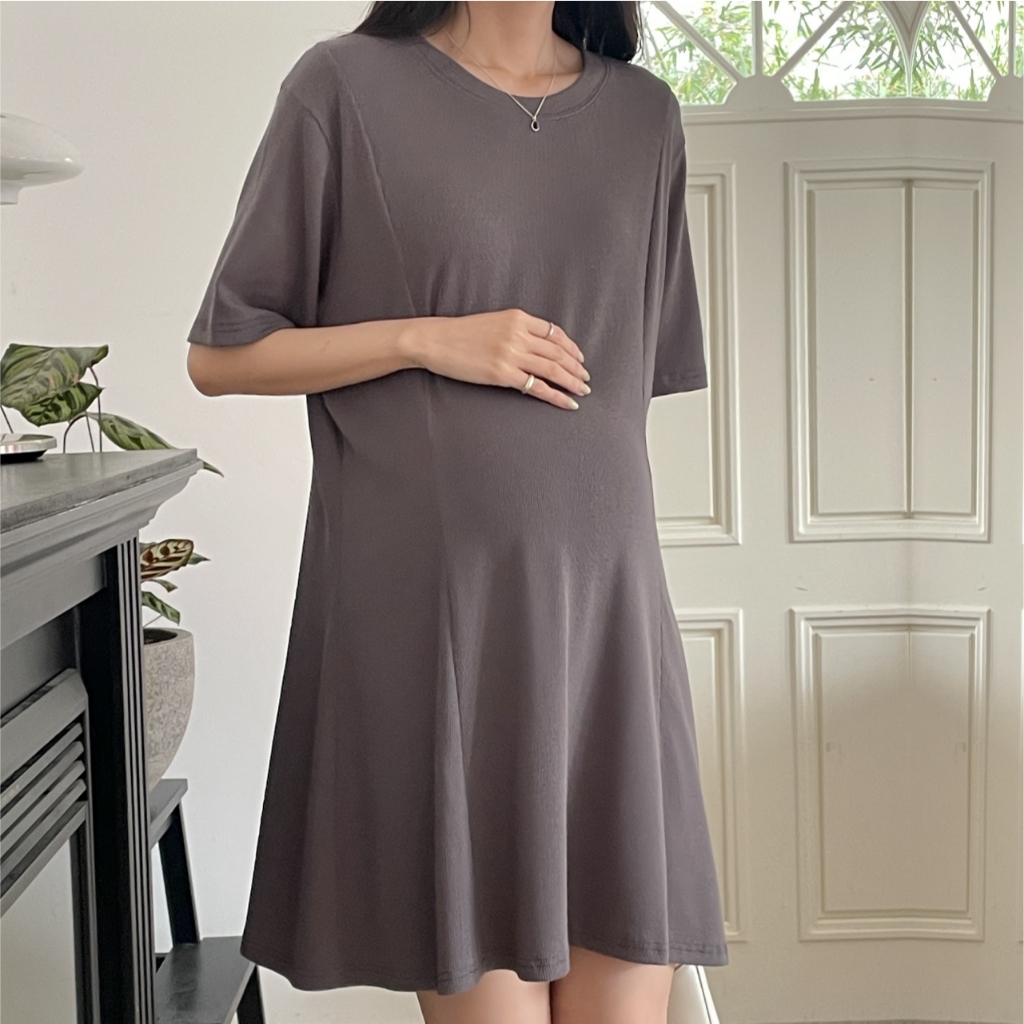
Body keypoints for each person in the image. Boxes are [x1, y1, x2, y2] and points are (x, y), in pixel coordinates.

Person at [185, 2, 729, 1022]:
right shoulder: (343, 87)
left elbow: (619, 393)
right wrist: (428, 337)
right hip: (442, 623)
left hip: (604, 628)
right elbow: (221, 355)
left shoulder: (647, 117)